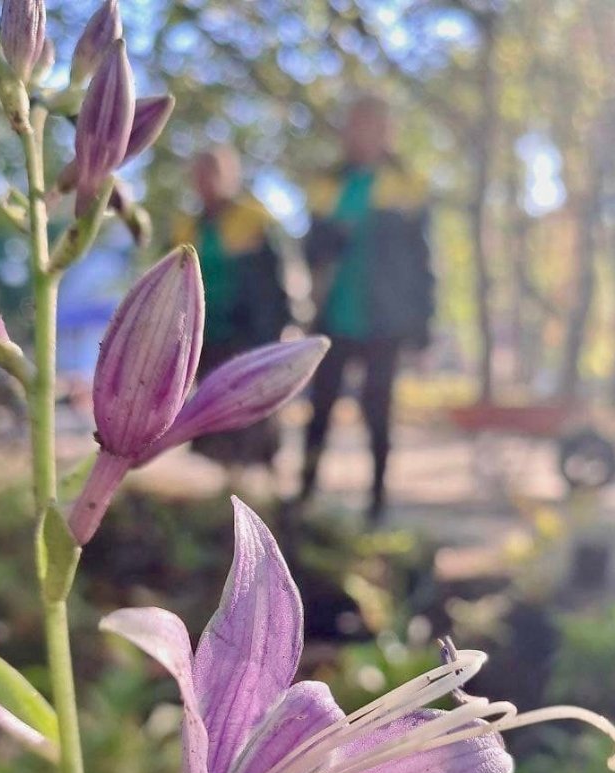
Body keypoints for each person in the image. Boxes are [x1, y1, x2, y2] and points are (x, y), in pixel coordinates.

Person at [299, 95, 435, 522]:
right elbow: (310, 250)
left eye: (371, 125)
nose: (361, 134)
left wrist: (423, 321)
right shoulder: (327, 184)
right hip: (334, 318)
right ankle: (304, 493)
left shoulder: (408, 185)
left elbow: (423, 261)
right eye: (354, 124)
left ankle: (377, 502)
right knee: (319, 410)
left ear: (386, 130)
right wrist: (331, 238)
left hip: (385, 321)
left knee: (378, 411)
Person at [173, 146, 291, 466]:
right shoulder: (186, 229)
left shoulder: (254, 221)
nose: (205, 181)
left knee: (251, 406)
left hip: (249, 333)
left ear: (230, 175)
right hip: (205, 335)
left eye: (213, 172)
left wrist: (278, 327)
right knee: (211, 408)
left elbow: (277, 280)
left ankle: (261, 476)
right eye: (199, 174)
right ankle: (223, 482)